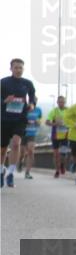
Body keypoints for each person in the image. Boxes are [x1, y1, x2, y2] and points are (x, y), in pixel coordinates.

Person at [1, 58, 37, 188]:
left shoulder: (27, 83)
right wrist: (4, 101)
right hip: (4, 118)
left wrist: (32, 103)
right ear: (11, 69)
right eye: (16, 67)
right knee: (3, 148)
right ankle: (1, 171)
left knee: (16, 144)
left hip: (20, 118)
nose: (18, 70)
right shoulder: (3, 82)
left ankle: (10, 173)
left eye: (20, 68)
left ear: (23, 69)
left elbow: (32, 95)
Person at [46, 95, 70, 177]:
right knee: (56, 154)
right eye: (60, 102)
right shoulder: (54, 111)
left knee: (63, 154)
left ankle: (62, 164)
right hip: (55, 136)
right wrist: (55, 124)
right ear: (57, 102)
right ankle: (57, 171)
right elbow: (47, 122)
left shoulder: (69, 111)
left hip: (65, 136)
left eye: (63, 102)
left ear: (65, 102)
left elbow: (74, 120)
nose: (61, 103)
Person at [21, 101, 42, 179]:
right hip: (22, 133)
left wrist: (37, 122)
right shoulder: (23, 109)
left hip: (32, 133)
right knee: (22, 153)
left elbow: (39, 122)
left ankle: (27, 172)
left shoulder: (38, 110)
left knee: (31, 152)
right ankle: (20, 161)